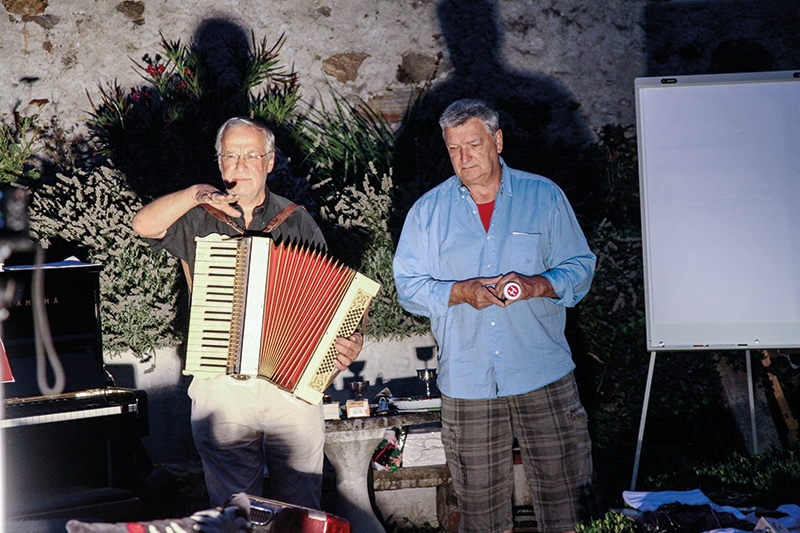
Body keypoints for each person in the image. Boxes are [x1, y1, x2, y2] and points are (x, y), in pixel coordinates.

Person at [132, 116, 363, 510]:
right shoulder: (198, 214)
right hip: (222, 385)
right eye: (230, 155)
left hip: (290, 386)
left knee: (301, 503)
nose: (240, 165)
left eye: (250, 155)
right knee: (234, 507)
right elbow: (143, 225)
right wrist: (194, 193)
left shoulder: (295, 219)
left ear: (269, 162)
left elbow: (333, 295)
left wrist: (350, 339)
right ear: (219, 163)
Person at [393, 99, 597, 533]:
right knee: (480, 512)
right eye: (453, 148)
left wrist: (536, 284)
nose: (464, 158)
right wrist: (459, 292)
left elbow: (580, 267)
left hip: (542, 371)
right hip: (467, 381)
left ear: (497, 141)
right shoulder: (427, 213)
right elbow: (408, 288)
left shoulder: (543, 196)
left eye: (473, 143)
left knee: (569, 503)